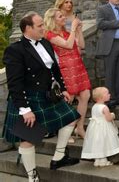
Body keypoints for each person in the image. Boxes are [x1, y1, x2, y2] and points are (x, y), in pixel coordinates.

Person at [2, 12, 80, 182]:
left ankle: (59, 157)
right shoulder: (15, 50)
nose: (44, 28)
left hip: (47, 95)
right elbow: (14, 84)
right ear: (28, 28)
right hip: (28, 98)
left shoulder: (45, 42)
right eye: (40, 26)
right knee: (29, 138)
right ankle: (32, 176)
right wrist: (25, 110)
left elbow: (54, 69)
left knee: (71, 118)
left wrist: (63, 88)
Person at [44, 8, 91, 140]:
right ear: (53, 20)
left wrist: (79, 30)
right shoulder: (49, 35)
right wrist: (73, 29)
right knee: (68, 99)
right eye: (60, 16)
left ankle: (80, 127)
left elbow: (81, 45)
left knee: (85, 96)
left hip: (78, 67)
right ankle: (64, 131)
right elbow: (68, 45)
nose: (64, 18)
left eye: (64, 16)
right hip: (65, 69)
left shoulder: (66, 32)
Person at [81, 87, 119, 167]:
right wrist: (113, 115)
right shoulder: (104, 108)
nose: (109, 94)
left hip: (95, 128)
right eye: (107, 93)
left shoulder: (94, 106)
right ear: (102, 97)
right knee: (104, 143)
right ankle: (103, 161)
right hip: (104, 128)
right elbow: (108, 118)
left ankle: (97, 160)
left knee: (97, 143)